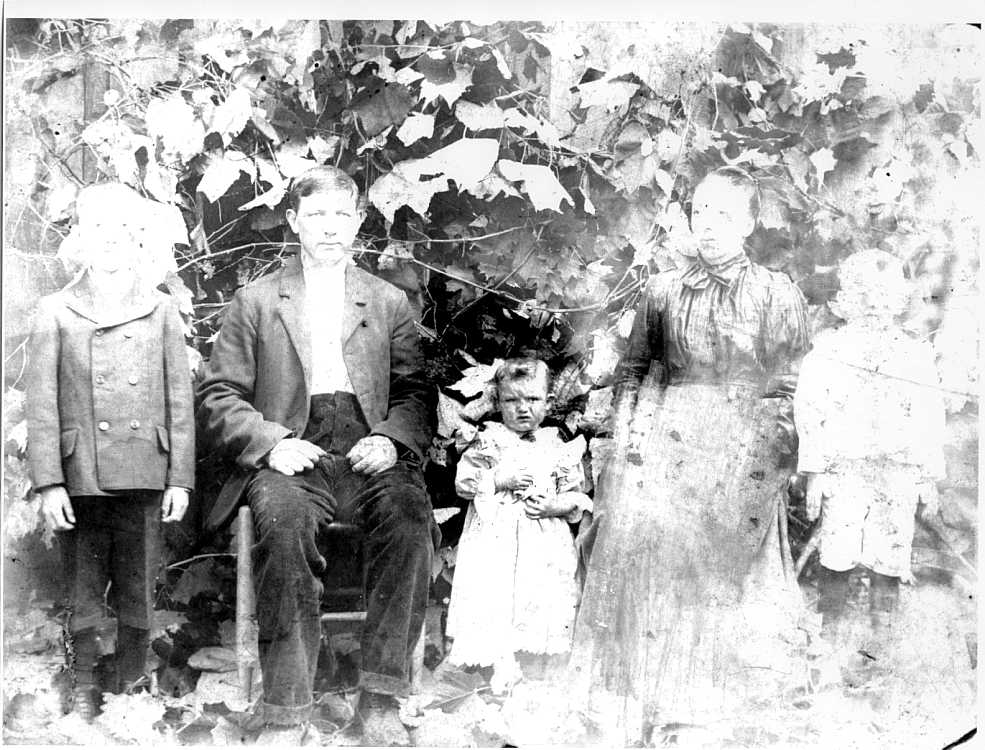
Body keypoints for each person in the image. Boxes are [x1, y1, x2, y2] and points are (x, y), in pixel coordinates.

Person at [568, 167, 811, 744]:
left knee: (717, 560)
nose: (709, 225)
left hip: (745, 449)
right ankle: (637, 703)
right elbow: (634, 376)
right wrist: (628, 451)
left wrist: (761, 463)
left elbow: (788, 387)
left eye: (724, 214)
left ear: (749, 223)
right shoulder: (662, 291)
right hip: (669, 444)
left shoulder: (775, 292)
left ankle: (702, 711)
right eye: (701, 211)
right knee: (641, 542)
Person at [197, 165, 435, 746]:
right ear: (294, 221)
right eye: (317, 215)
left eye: (341, 216)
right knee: (282, 529)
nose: (330, 227)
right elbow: (219, 393)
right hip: (291, 451)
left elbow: (416, 392)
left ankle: (380, 699)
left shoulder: (388, 300)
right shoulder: (256, 300)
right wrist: (271, 442)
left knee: (409, 520)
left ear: (357, 223)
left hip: (368, 448)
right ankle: (286, 711)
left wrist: (390, 438)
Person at [25, 183, 195, 721]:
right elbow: (42, 405)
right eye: (97, 227)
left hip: (144, 467)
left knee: (139, 584)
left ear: (137, 236)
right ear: (80, 236)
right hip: (83, 471)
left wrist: (180, 478)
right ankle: (83, 686)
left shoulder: (161, 309)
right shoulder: (56, 310)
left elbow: (179, 401)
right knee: (82, 585)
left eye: (121, 227)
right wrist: (49, 482)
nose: (110, 238)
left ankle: (131, 682)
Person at [794, 249, 945, 643]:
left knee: (891, 548)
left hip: (897, 469)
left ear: (898, 300)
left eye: (884, 295)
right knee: (838, 546)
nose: (874, 304)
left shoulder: (914, 354)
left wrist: (927, 477)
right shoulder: (828, 353)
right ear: (846, 301)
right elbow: (810, 413)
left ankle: (881, 635)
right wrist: (815, 472)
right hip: (845, 468)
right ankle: (830, 631)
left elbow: (929, 418)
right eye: (864, 294)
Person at [446, 359, 592, 692]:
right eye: (512, 400)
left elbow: (575, 496)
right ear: (498, 403)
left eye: (533, 400)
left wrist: (554, 505)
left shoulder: (558, 445)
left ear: (549, 403)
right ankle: (497, 668)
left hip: (543, 541)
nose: (522, 409)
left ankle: (535, 669)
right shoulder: (489, 440)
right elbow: (464, 484)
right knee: (495, 597)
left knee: (540, 596)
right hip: (496, 541)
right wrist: (499, 479)